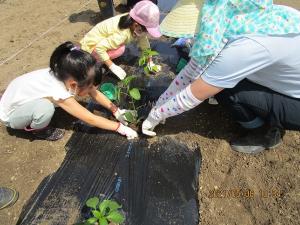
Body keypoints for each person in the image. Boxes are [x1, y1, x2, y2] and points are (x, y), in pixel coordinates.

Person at [142, 0, 300, 154]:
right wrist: (160, 103)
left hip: (296, 104)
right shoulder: (243, 18)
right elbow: (191, 72)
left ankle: (265, 133)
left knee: (222, 89)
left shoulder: (245, 48)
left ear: (209, 23)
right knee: (213, 75)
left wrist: (156, 115)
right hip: (285, 81)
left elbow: (192, 95)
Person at [0, 42, 138, 141]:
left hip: (16, 96)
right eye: (89, 87)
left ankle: (35, 113)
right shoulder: (58, 91)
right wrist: (119, 127)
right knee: (45, 108)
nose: (93, 91)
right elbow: (89, 118)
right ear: (73, 85)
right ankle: (39, 130)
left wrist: (115, 110)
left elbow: (94, 93)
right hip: (11, 114)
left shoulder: (65, 72)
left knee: (47, 104)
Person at [80, 0, 161, 80]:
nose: (146, 34)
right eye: (146, 31)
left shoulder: (132, 20)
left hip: (102, 40)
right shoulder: (122, 34)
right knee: (120, 50)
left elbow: (143, 41)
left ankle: (103, 58)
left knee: (119, 47)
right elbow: (99, 48)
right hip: (90, 46)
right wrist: (111, 66)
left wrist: (150, 61)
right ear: (136, 25)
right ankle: (95, 61)